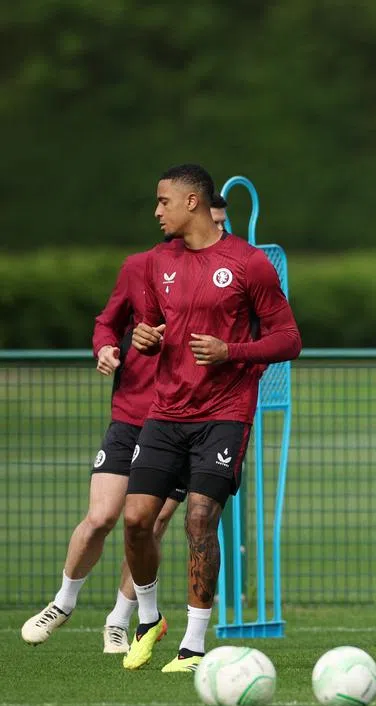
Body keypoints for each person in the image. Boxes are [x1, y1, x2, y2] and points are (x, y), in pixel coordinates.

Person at [121, 163, 301, 672]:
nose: (157, 211)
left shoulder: (248, 263)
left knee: (201, 519)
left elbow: (289, 339)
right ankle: (150, 618)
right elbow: (152, 325)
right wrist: (144, 337)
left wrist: (232, 352)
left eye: (163, 202)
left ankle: (194, 645)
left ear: (192, 203)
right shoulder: (158, 262)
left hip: (224, 413)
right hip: (166, 410)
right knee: (135, 521)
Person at [21, 244, 187, 654]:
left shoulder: (219, 272)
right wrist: (105, 349)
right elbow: (106, 323)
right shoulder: (139, 267)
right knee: (100, 517)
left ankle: (119, 620)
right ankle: (62, 602)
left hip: (178, 421)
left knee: (150, 522)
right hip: (130, 416)